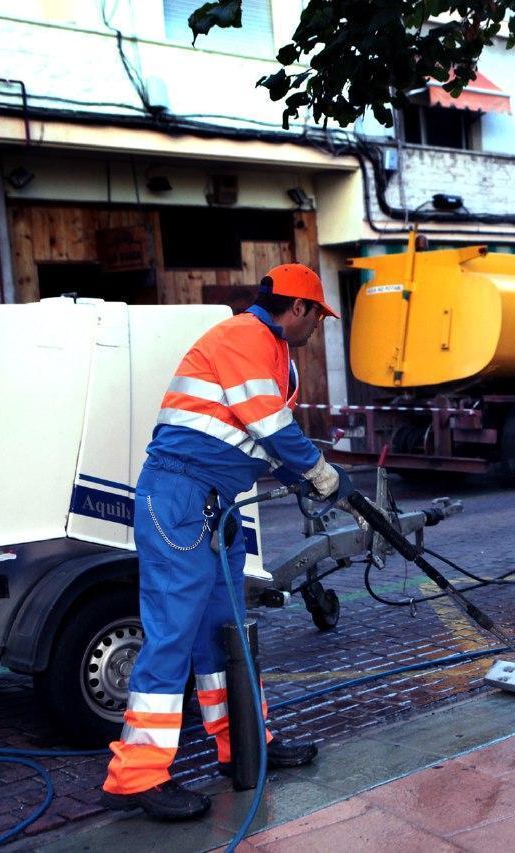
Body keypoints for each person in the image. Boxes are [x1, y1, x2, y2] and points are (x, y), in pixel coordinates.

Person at [100, 264, 343, 820]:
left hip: (217, 506)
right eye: (318, 317)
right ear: (299, 307)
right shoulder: (243, 337)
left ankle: (246, 746)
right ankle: (138, 775)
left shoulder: (275, 355)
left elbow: (255, 441)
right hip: (180, 501)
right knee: (171, 639)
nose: (318, 329)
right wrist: (320, 472)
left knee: (222, 636)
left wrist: (305, 478)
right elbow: (273, 428)